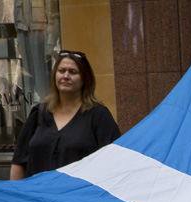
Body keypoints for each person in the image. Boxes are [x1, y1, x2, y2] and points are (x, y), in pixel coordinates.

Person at [10, 50, 120, 180]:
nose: (66, 76)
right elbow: (19, 162)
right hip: (38, 197)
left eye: (73, 72)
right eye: (61, 71)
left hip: (77, 198)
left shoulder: (98, 115)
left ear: (85, 78)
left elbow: (114, 162)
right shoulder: (38, 113)